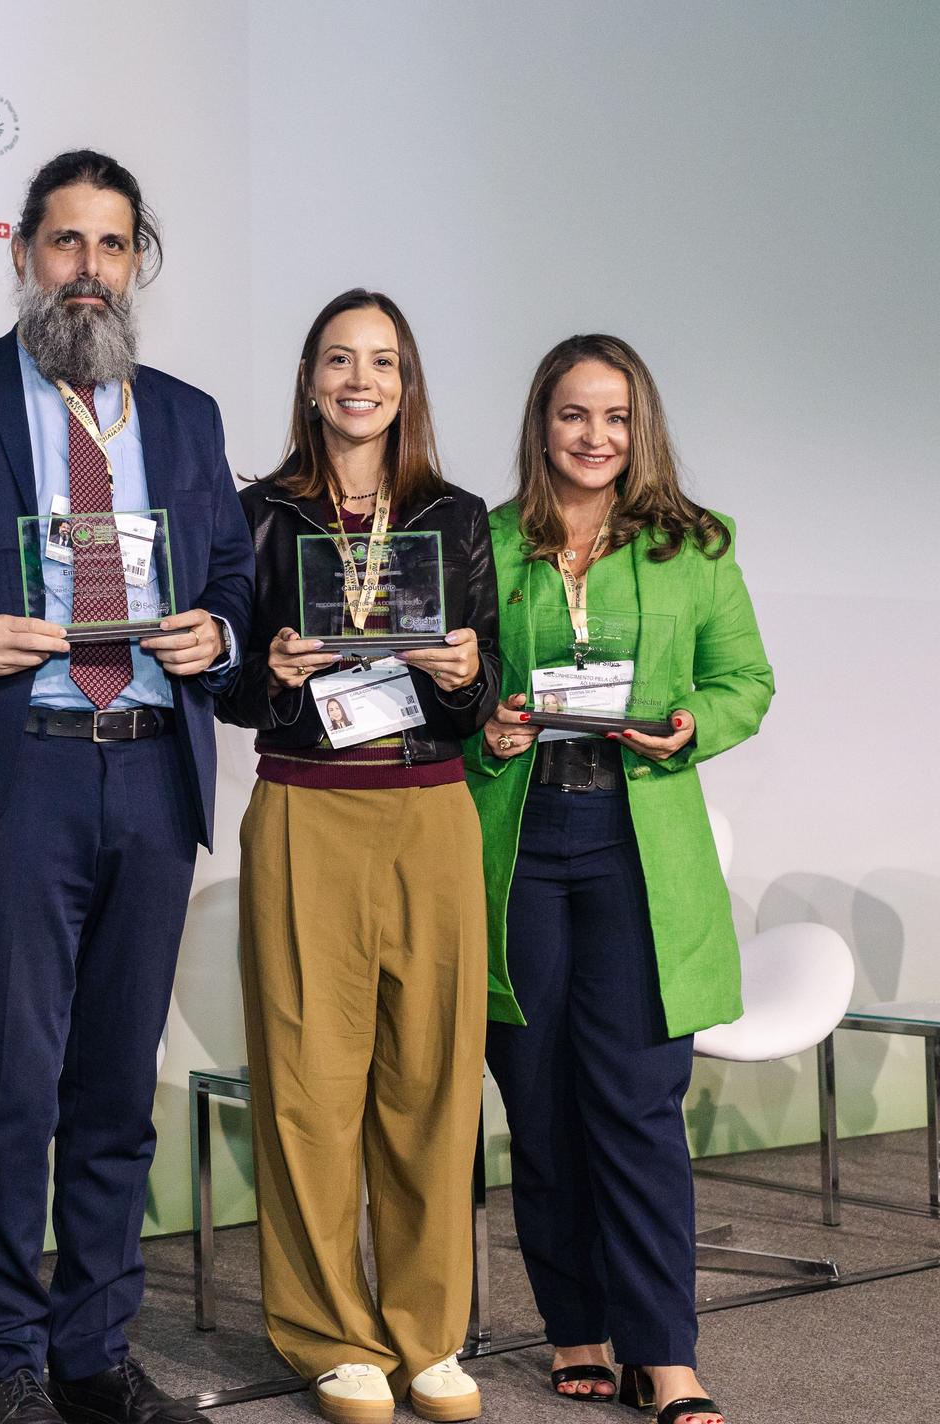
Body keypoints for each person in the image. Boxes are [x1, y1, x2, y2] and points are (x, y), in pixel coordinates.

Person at [0, 150, 253, 1424]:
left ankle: (94, 1349)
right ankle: (7, 1358)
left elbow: (236, 571)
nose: (89, 269)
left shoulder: (185, 414)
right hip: (13, 772)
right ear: (22, 251)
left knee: (112, 1093)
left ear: (138, 263)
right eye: (65, 242)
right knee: (11, 1090)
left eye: (112, 245)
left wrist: (221, 635)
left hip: (148, 770)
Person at [469, 336, 771, 1424]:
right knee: (541, 1103)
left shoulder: (696, 545)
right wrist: (485, 732)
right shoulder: (487, 542)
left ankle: (667, 1351)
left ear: (640, 428)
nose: (594, 438)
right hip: (519, 835)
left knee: (639, 1105)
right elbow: (450, 691)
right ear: (540, 424)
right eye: (572, 416)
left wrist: (691, 723)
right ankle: (576, 1325)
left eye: (615, 417)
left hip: (635, 839)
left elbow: (748, 680)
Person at [219, 289, 499, 1424]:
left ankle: (428, 1334)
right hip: (307, 810)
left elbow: (479, 702)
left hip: (431, 810)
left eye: (381, 360)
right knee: (309, 1092)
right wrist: (269, 670)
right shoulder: (260, 512)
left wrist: (463, 669)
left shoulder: (457, 513)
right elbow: (226, 685)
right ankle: (333, 1333)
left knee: (433, 1084)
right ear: (310, 377)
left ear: (407, 379)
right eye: (339, 358)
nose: (360, 378)